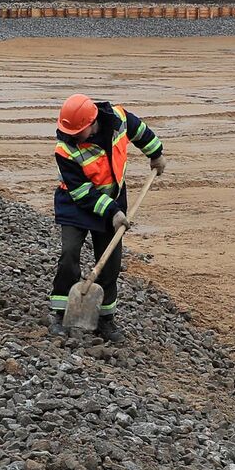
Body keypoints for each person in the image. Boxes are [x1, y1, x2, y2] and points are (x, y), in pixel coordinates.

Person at [48, 94, 164, 340]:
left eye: (78, 132)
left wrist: (156, 154)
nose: (73, 136)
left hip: (113, 199)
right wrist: (113, 212)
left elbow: (140, 131)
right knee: (69, 253)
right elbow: (82, 192)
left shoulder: (118, 118)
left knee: (110, 262)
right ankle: (60, 313)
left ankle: (105, 319)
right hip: (75, 203)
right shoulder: (65, 148)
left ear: (92, 122)